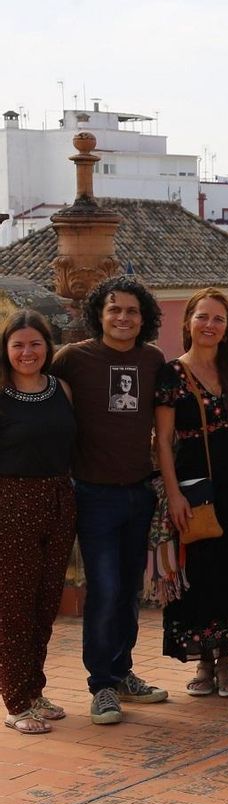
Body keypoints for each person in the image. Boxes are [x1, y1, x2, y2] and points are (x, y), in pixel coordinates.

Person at [51, 275, 170, 725]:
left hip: (140, 493)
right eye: (114, 309)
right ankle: (101, 685)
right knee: (103, 590)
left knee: (128, 593)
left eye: (132, 311)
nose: (123, 317)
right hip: (94, 494)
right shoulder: (73, 359)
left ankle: (122, 673)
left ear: (144, 318)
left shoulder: (153, 359)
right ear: (99, 314)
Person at [154, 288, 228, 698]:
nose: (210, 325)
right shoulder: (171, 374)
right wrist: (173, 496)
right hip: (195, 486)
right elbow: (164, 440)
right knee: (200, 571)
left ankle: (225, 662)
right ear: (188, 321)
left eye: (218, 319)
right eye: (202, 316)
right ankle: (203, 662)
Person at [0, 311, 77, 734]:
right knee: (14, 606)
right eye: (18, 345)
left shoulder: (61, 388)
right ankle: (15, 701)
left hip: (60, 500)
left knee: (46, 601)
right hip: (10, 503)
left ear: (47, 347)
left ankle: (35, 690)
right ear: (6, 350)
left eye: (34, 344)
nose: (27, 352)